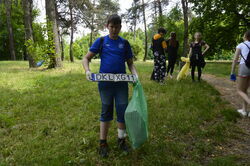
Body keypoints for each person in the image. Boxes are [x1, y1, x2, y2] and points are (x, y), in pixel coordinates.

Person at [82, 14, 138, 157]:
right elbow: (86, 58)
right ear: (107, 26)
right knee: (106, 110)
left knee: (122, 111)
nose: (114, 29)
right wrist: (87, 71)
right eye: (111, 26)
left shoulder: (124, 43)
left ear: (120, 27)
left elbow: (130, 63)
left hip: (121, 84)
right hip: (105, 84)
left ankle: (121, 140)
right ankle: (103, 143)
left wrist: (135, 74)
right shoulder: (101, 41)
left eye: (117, 26)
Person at [231, 30, 250, 117]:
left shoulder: (241, 45)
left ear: (245, 36)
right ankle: (244, 110)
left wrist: (232, 72)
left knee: (240, 90)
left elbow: (235, 59)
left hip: (244, 67)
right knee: (245, 90)